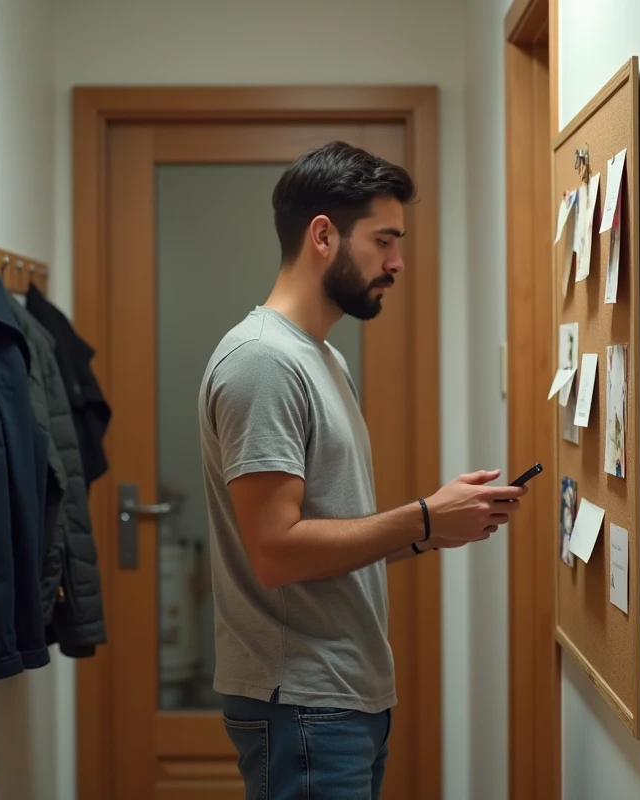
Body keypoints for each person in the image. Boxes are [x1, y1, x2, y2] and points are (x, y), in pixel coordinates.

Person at [198, 141, 528, 799]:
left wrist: (432, 528)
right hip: (302, 700)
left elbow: (328, 535)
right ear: (324, 235)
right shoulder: (263, 363)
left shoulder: (321, 358)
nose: (397, 261)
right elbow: (275, 553)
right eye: (383, 240)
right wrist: (424, 516)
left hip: (341, 695)